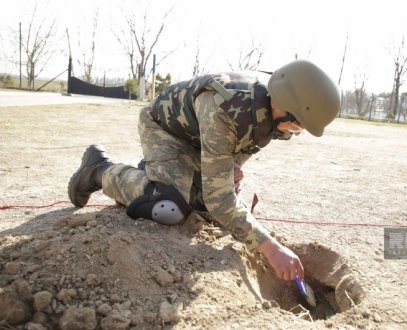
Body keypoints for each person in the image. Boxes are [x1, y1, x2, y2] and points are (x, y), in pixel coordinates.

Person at [68, 60, 340, 282]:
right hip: (165, 131)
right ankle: (98, 169)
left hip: (198, 140)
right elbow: (220, 200)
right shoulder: (228, 106)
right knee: (168, 206)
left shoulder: (272, 105)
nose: (297, 132)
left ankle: (154, 176)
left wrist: (230, 169)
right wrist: (270, 247)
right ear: (283, 105)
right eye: (297, 125)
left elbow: (237, 150)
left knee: (204, 210)